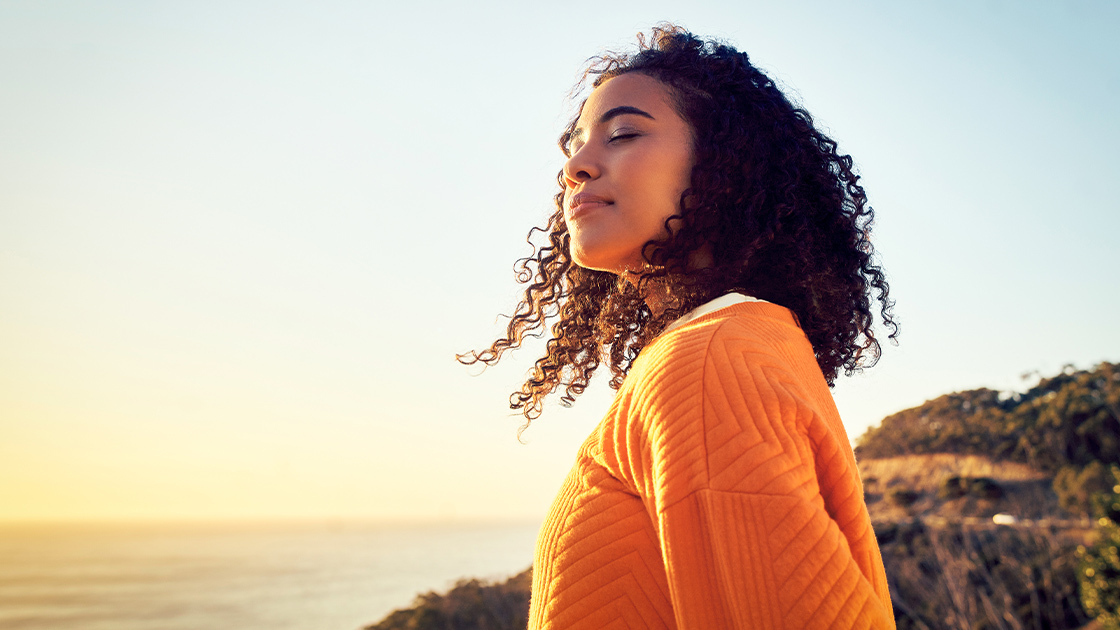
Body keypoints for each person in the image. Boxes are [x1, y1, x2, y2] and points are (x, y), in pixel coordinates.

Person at [460, 25, 898, 629]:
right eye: (574, 147)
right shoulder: (743, 343)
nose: (577, 168)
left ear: (728, 168)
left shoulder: (706, 361)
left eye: (623, 134)